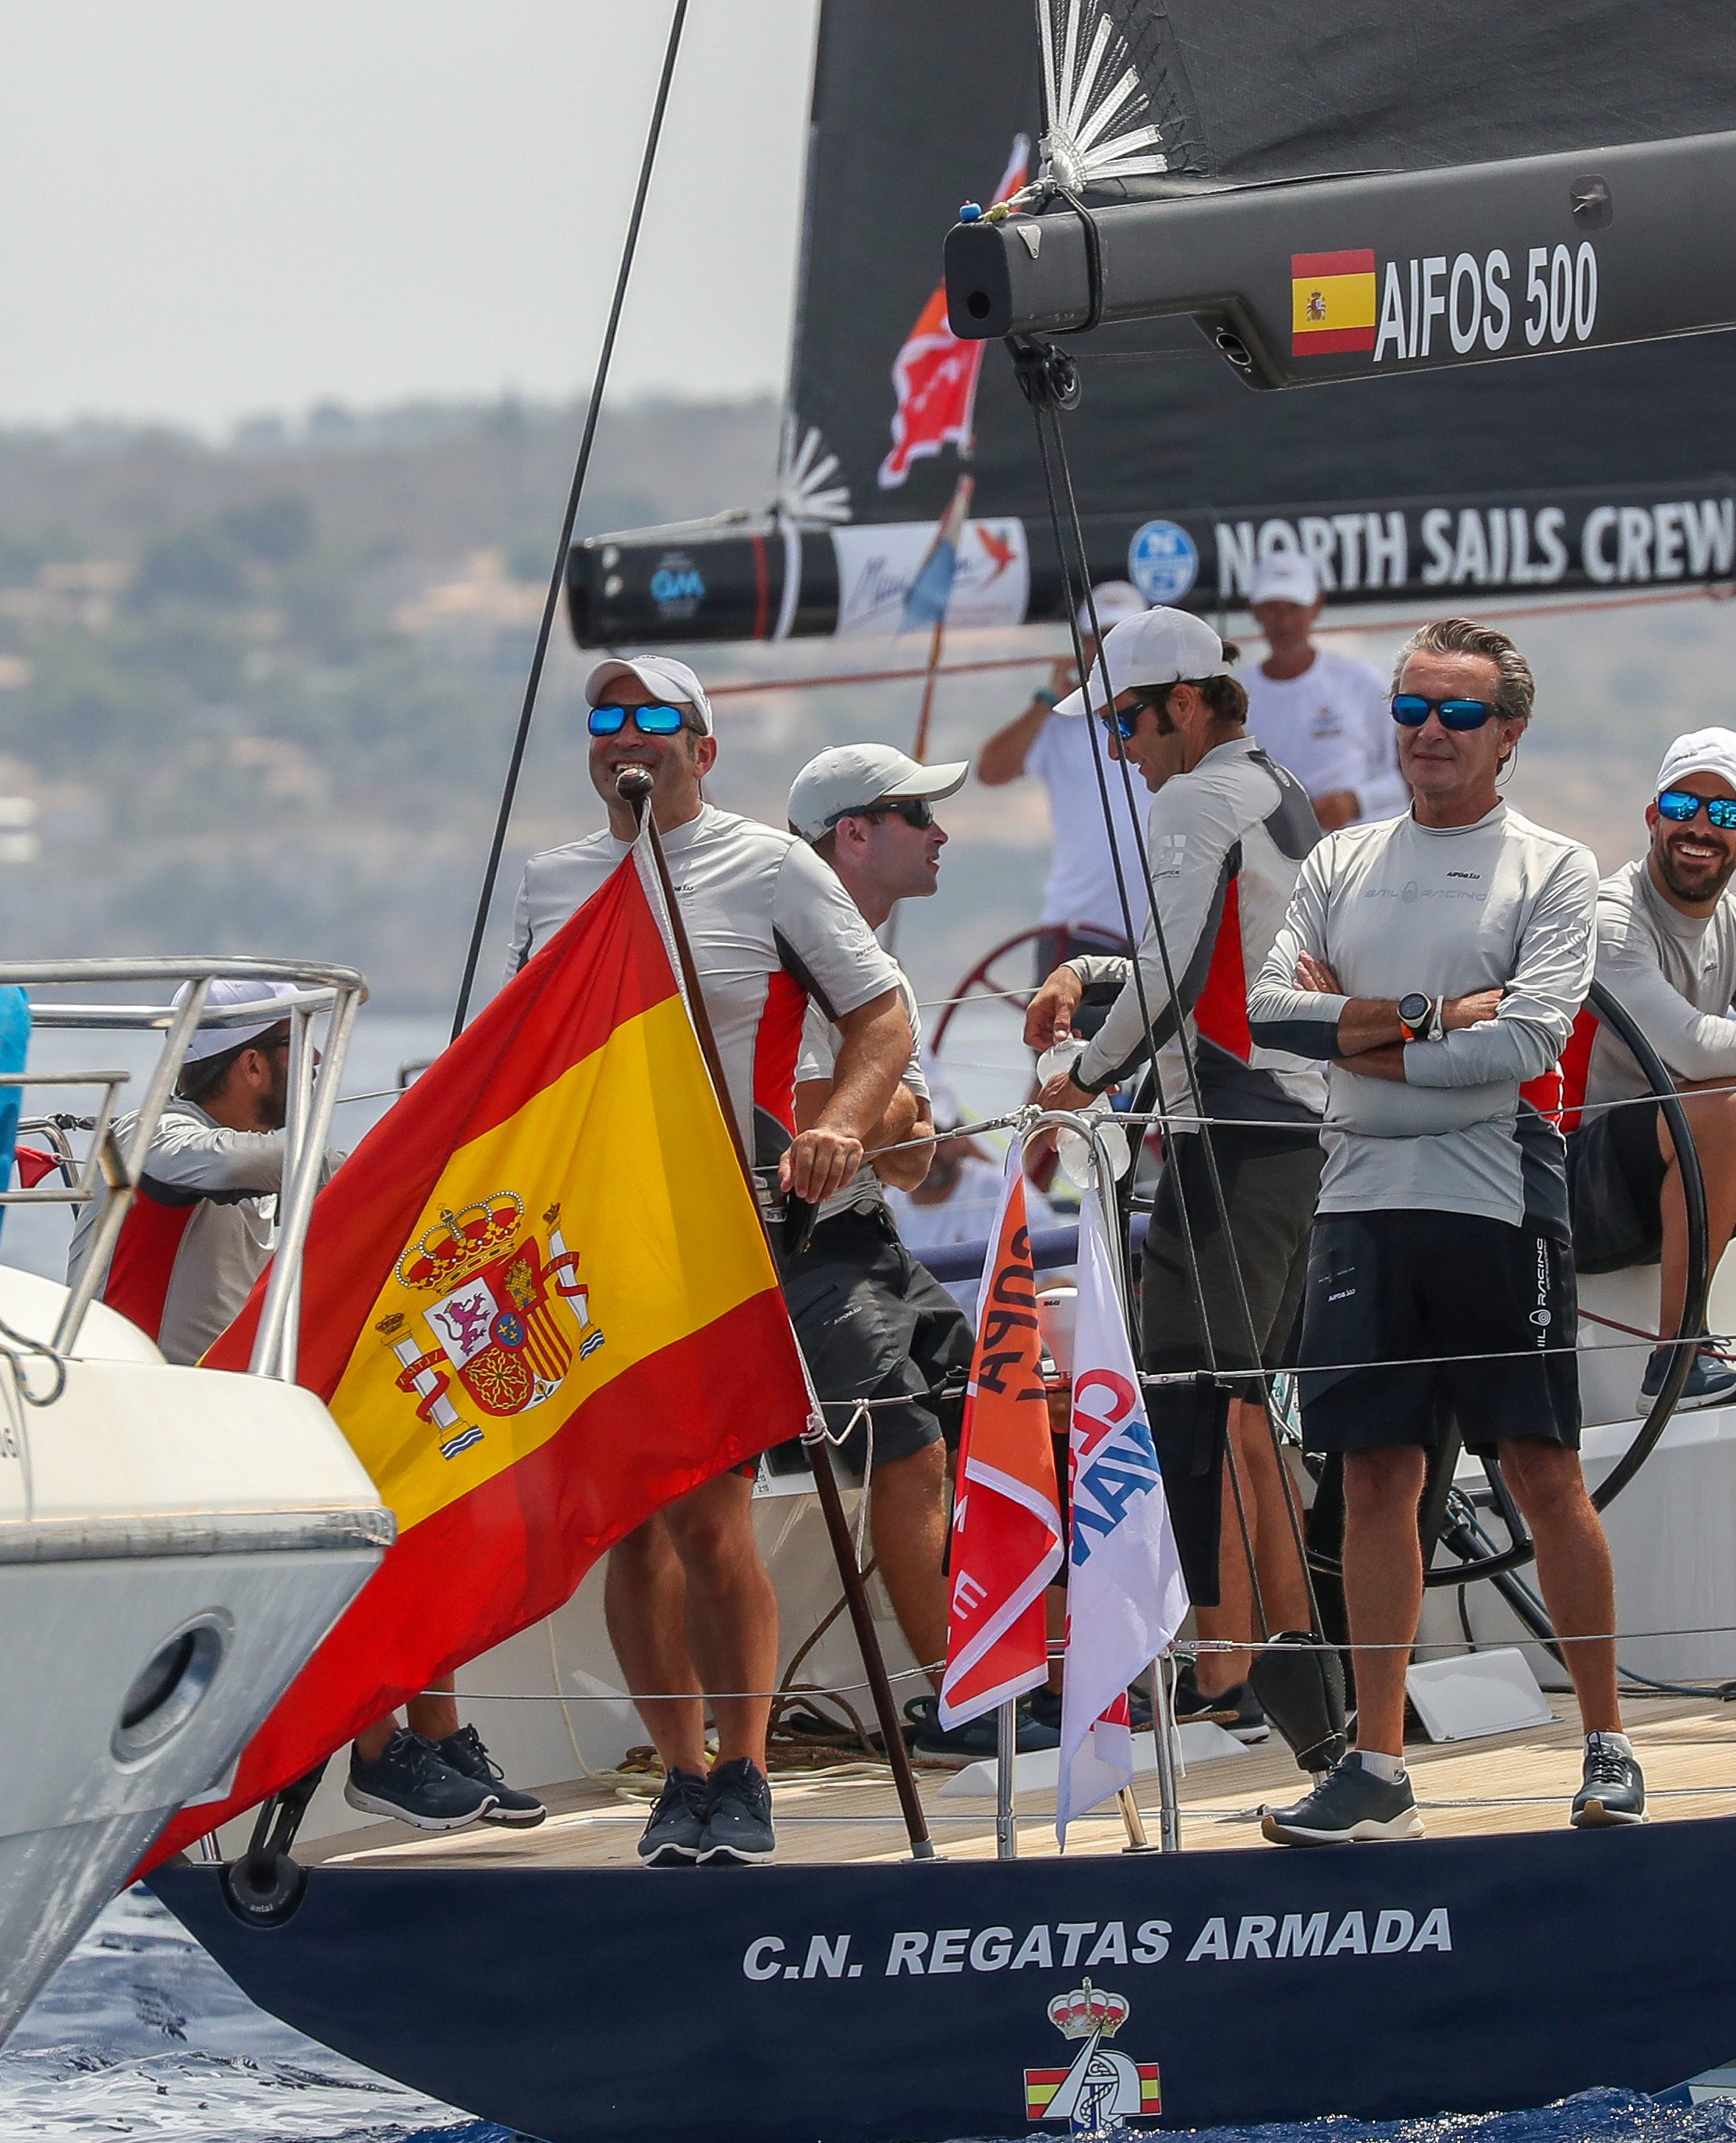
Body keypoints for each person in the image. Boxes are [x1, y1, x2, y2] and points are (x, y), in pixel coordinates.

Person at [508, 655, 916, 1867]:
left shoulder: (771, 866)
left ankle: (743, 1770)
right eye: (607, 719)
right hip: (601, 1232)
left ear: (703, 748)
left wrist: (841, 1123)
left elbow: (880, 1014)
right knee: (628, 1525)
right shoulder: (555, 878)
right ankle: (677, 1774)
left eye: (654, 720)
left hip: (729, 1225)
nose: (627, 737)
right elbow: (524, 1051)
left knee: (708, 1517)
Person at [1246, 615, 1642, 1838]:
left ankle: (1607, 1741)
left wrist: (1362, 1033)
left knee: (1541, 1472)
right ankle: (1375, 1766)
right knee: (1375, 1478)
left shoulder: (1554, 866)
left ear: (1507, 735)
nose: (1428, 731)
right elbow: (1268, 1011)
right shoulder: (1337, 860)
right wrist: (1428, 1013)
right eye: (1412, 707)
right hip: (1361, 1194)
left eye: (1458, 713)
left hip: (1491, 1191)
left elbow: (1524, 1046)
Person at [73, 985, 542, 1834]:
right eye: (304, 1049)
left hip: (222, 1418)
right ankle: (376, 1754)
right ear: (253, 1061)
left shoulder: (256, 1155)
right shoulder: (152, 1132)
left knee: (427, 1485)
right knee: (349, 1524)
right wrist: (365, 1162)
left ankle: (434, 1736)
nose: (324, 1064)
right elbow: (215, 1167)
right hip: (140, 1425)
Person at [1018, 606, 1322, 1727]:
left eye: (1125, 721)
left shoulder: (1194, 798)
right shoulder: (1267, 783)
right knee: (1239, 1409)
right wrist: (1089, 975)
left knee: (1207, 1412)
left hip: (1232, 1135)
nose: (1118, 747)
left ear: (1184, 706)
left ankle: (1240, 1682)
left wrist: (1078, 1083)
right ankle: (1274, 1677)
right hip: (1281, 1128)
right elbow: (1204, 952)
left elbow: (1183, 975)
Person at [779, 744, 1047, 1765]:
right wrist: (882, 1106)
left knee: (1000, 1414)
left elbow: (912, 1159)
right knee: (911, 1447)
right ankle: (963, 1701)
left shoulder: (866, 969)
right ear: (854, 833)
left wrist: (876, 1108)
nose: (943, 834)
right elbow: (807, 1118)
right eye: (918, 815)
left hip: (867, 1234)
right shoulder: (796, 959)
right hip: (801, 1246)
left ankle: (1009, 1678)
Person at [1571, 728, 1736, 1411]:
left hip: (1680, 1168)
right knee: (1734, 1101)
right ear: (1652, 816)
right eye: (1682, 805)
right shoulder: (1610, 915)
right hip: (1574, 1184)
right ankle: (1680, 1356)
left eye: (1723, 815)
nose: (1698, 826)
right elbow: (1686, 1046)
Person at [973, 581, 1156, 971]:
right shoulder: (1057, 722)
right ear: (1081, 646)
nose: (1107, 650)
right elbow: (990, 771)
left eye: (1121, 637)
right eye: (1098, 638)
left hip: (1168, 932)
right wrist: (1045, 702)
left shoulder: (1176, 714)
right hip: (1079, 933)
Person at [1242, 551, 1403, 831]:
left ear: (1317, 607)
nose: (1284, 622)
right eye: (1272, 608)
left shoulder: (1361, 682)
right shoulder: (1237, 697)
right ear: (1254, 610)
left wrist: (1354, 802)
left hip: (1358, 853)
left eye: (1294, 608)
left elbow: (1411, 778)